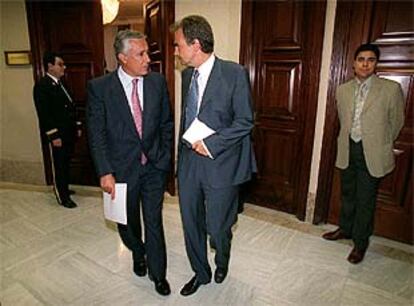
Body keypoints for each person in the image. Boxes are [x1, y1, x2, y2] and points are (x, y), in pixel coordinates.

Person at [171, 15, 257, 296]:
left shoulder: (234, 73)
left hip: (221, 162)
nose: (175, 51)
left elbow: (245, 121)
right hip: (188, 162)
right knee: (191, 221)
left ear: (195, 45)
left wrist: (212, 144)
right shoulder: (186, 76)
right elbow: (189, 118)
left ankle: (222, 258)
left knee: (218, 226)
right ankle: (201, 272)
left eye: (178, 45)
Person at [87, 30, 173, 296]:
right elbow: (96, 133)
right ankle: (138, 252)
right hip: (121, 170)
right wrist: (105, 171)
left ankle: (158, 274)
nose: (148, 59)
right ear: (123, 58)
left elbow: (166, 124)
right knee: (127, 222)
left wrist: (165, 157)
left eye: (147, 52)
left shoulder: (158, 82)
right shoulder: (100, 88)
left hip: (154, 167)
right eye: (141, 54)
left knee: (154, 220)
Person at [322, 43, 405, 264]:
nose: (365, 63)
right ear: (354, 63)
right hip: (348, 149)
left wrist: (381, 143)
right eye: (361, 59)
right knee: (347, 194)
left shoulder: (390, 89)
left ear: (376, 64)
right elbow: (343, 120)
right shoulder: (342, 89)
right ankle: (345, 229)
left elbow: (397, 123)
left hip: (373, 153)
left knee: (365, 199)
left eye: (370, 59)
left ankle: (360, 243)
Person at [33, 51, 81, 209]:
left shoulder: (62, 83)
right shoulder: (42, 86)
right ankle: (62, 196)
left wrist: (78, 125)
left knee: (66, 163)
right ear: (50, 66)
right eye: (60, 64)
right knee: (59, 165)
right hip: (58, 135)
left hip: (68, 132)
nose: (64, 67)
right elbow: (44, 114)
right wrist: (54, 136)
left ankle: (64, 188)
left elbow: (72, 106)